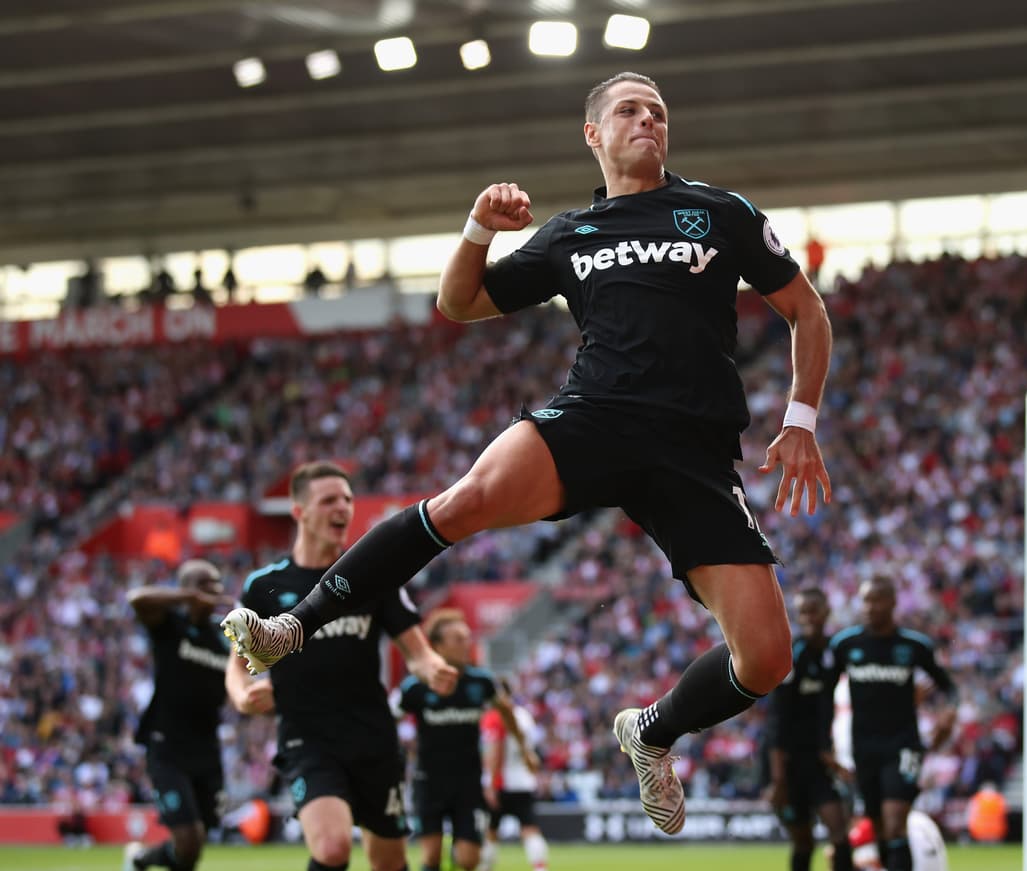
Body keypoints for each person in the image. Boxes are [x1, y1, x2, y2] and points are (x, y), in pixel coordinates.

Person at [222, 70, 833, 836]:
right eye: (628, 110)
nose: (648, 120)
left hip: (692, 451)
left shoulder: (718, 211)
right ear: (593, 133)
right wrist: (479, 227)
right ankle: (293, 626)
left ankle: (649, 732)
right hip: (593, 417)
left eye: (658, 111)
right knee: (460, 500)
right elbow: (460, 303)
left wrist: (801, 417)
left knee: (767, 657)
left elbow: (805, 308)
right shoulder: (569, 236)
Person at [224, 461, 457, 871]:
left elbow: (416, 650)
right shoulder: (264, 586)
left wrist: (433, 667)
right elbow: (237, 665)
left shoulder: (369, 574)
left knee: (389, 862)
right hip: (308, 738)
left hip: (373, 737)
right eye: (329, 499)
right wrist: (242, 695)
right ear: (299, 512)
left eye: (347, 499)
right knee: (331, 849)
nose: (343, 508)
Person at [828, 578, 957, 871]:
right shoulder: (846, 645)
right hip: (864, 746)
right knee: (879, 827)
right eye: (865, 600)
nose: (870, 607)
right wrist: (826, 739)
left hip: (903, 744)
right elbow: (825, 694)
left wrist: (948, 713)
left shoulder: (913, 646)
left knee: (895, 820)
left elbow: (949, 688)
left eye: (877, 600)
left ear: (893, 603)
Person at [394, 610, 536, 871]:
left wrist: (525, 750)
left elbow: (506, 711)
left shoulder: (480, 682)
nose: (466, 644)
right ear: (437, 645)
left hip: (468, 783)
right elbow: (390, 719)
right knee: (431, 857)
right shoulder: (415, 687)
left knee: (469, 860)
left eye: (467, 638)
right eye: (458, 639)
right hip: (429, 782)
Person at [123, 559, 233, 871]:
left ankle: (141, 859)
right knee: (188, 839)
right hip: (168, 747)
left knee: (194, 844)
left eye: (217, 584)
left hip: (207, 748)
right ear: (186, 590)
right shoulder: (170, 625)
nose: (214, 591)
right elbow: (136, 599)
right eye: (205, 585)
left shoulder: (223, 637)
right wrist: (187, 599)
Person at [763, 587, 853, 871]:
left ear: (826, 611)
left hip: (817, 760)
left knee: (840, 833)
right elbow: (777, 718)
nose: (809, 617)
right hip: (788, 764)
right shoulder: (793, 655)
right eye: (803, 612)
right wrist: (777, 779)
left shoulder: (833, 653)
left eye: (814, 610)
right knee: (803, 842)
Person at [478, 678, 548, 871]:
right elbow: (531, 749)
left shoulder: (493, 717)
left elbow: (494, 753)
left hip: (500, 782)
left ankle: (485, 868)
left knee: (491, 832)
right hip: (523, 781)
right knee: (530, 829)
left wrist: (491, 785)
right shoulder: (524, 716)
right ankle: (540, 868)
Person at [849, 811, 949, 871]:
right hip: (936, 866)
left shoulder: (888, 817)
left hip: (911, 865)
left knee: (861, 854)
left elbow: (853, 840)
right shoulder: (921, 818)